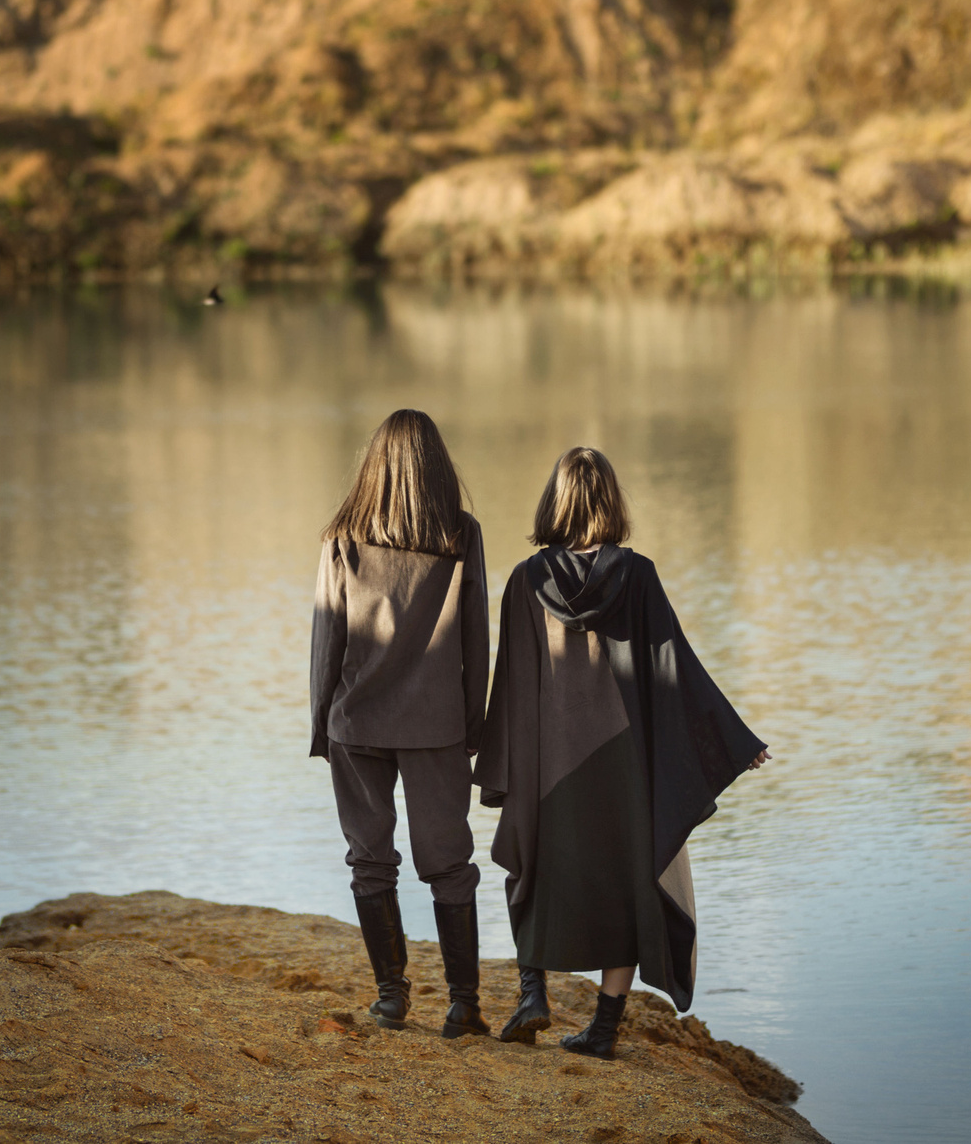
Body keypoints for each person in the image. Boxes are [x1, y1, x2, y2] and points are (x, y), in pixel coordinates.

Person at [474, 446, 771, 1059]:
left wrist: (502, 763)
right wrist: (732, 740)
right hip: (625, 765)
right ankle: (604, 1031)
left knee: (531, 868)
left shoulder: (526, 581)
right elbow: (674, 667)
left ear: (554, 502)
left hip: (550, 763)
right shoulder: (637, 576)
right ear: (611, 502)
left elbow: (513, 683)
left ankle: (532, 995)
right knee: (629, 886)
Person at [308, 408, 492, 1036]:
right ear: (436, 466)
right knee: (449, 863)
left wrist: (321, 723)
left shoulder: (343, 535)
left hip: (356, 721)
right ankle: (464, 1005)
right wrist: (473, 727)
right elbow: (476, 639)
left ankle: (391, 999)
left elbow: (326, 637)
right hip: (437, 724)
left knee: (370, 859)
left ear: (374, 465)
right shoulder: (461, 534)